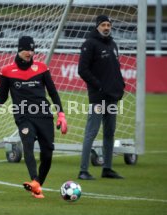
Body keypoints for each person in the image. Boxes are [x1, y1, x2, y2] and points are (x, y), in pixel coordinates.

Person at [0, 36, 67, 198]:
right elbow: (2, 97)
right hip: (23, 116)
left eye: (32, 50)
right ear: (19, 49)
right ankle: (33, 180)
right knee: (28, 144)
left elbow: (53, 93)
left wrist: (61, 114)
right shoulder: (6, 71)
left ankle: (37, 184)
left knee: (47, 154)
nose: (29, 53)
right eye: (26, 49)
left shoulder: (41, 68)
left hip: (44, 115)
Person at [77, 15, 125, 180]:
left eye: (108, 25)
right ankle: (83, 170)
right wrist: (98, 86)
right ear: (97, 26)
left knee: (110, 133)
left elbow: (115, 70)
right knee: (91, 132)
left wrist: (120, 86)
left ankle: (107, 168)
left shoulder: (112, 44)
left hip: (112, 97)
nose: (106, 27)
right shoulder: (89, 44)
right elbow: (82, 70)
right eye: (103, 24)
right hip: (98, 98)